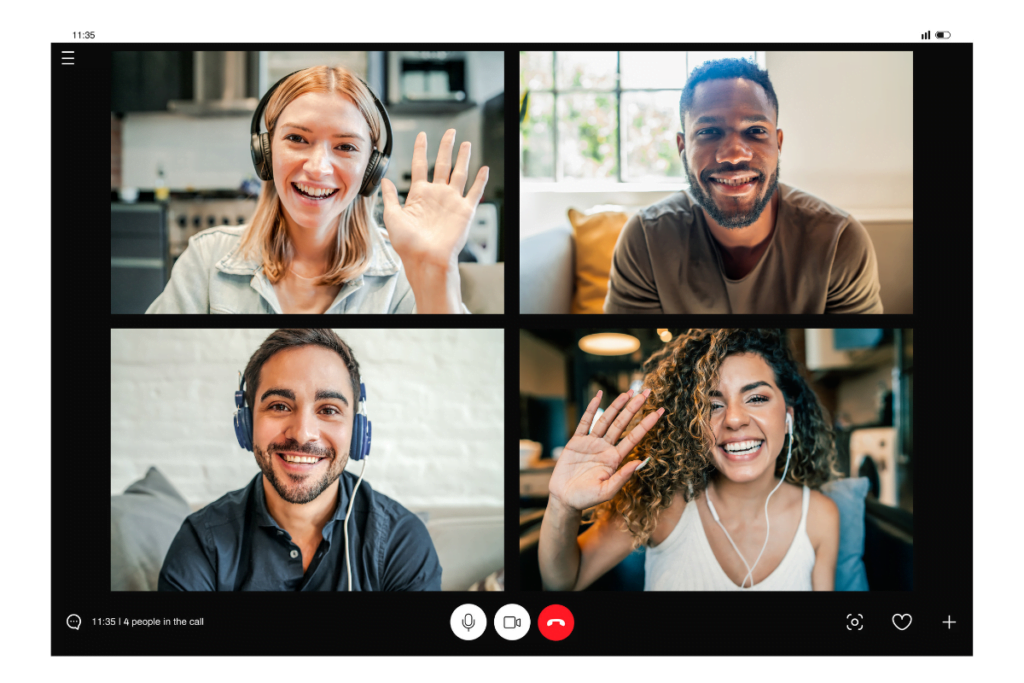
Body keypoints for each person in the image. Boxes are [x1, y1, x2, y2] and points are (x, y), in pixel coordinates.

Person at [146, 65, 488, 314]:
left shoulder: (403, 271)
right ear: (264, 152)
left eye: (346, 147)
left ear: (372, 168)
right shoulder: (205, 261)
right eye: (297, 139)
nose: (318, 168)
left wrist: (436, 271)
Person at [539, 329, 840, 591]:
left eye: (756, 398)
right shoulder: (664, 504)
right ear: (691, 424)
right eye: (712, 405)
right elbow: (564, 582)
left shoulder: (820, 516)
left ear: (788, 416)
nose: (734, 419)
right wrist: (562, 505)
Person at [159, 329, 442, 591]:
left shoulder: (401, 541)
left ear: (358, 431)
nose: (303, 434)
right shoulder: (201, 543)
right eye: (280, 406)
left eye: (328, 409)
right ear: (247, 425)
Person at [605, 58, 882, 314]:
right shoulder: (644, 241)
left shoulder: (839, 241)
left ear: (778, 143)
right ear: (683, 147)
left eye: (756, 131)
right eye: (708, 132)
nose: (734, 154)